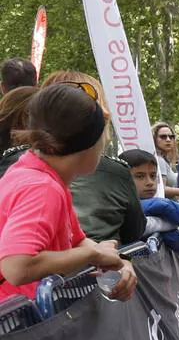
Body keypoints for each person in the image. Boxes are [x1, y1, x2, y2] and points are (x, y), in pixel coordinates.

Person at [0, 83, 136, 302]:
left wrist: (118, 261)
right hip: (17, 327)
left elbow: (78, 241)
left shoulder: (33, 171)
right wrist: (93, 255)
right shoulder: (43, 189)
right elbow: (16, 267)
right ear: (89, 145)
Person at [150, 121, 179, 199]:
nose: (168, 140)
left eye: (171, 137)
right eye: (163, 137)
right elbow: (160, 189)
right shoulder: (159, 160)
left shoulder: (163, 159)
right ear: (154, 139)